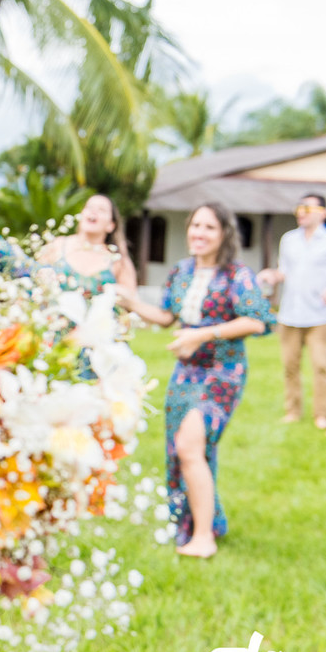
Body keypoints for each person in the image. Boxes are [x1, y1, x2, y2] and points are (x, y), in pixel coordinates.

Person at [117, 203, 273, 558]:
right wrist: (131, 302)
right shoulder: (182, 272)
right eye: (195, 225)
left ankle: (203, 537)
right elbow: (166, 316)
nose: (199, 233)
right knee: (185, 451)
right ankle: (202, 522)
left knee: (189, 446)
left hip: (223, 372)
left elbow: (256, 321)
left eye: (209, 228)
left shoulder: (237, 275)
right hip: (185, 373)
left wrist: (202, 335)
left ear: (224, 235)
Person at [257, 194, 326, 429]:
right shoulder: (289, 239)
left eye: (307, 208)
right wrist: (273, 275)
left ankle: (321, 416)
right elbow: (284, 271)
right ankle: (292, 411)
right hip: (291, 313)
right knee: (290, 366)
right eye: (299, 208)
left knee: (321, 367)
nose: (301, 212)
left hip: (320, 316)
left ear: (323, 212)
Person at [39, 193, 138, 297]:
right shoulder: (57, 244)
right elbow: (34, 277)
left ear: (111, 225)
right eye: (89, 207)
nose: (93, 211)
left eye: (101, 210)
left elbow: (132, 300)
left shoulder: (118, 260)